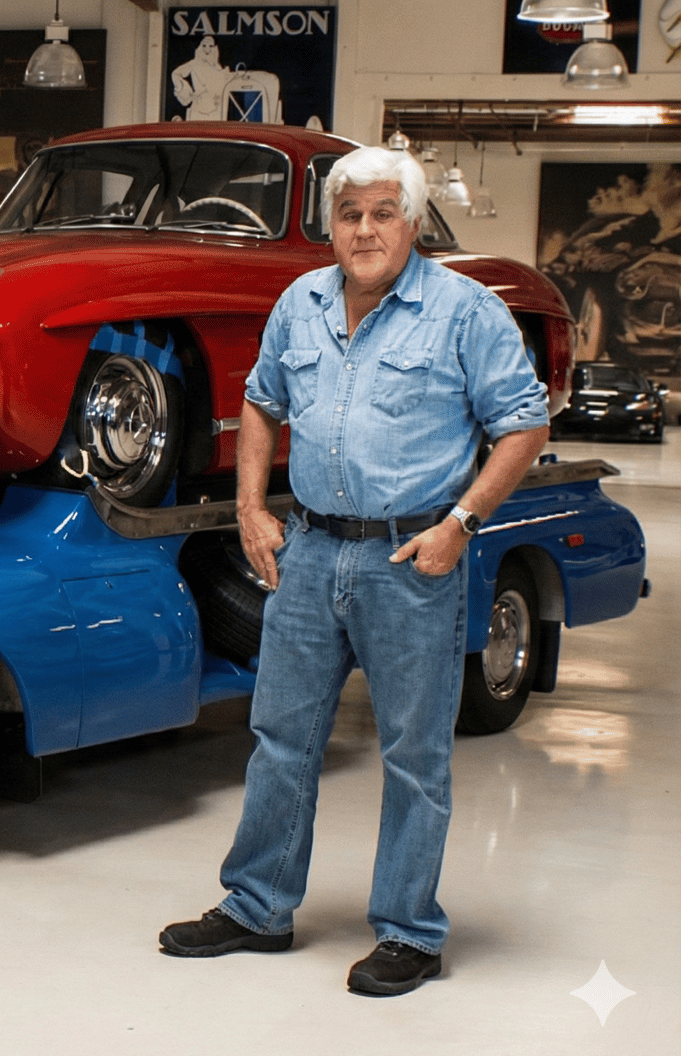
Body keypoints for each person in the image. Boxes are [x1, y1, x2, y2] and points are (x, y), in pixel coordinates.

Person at [158, 146, 552, 996]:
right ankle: (258, 905)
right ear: (330, 226)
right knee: (281, 739)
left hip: (411, 559)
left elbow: (525, 423)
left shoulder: (463, 311)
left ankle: (409, 930)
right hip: (310, 551)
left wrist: (460, 524)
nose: (365, 230)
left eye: (382, 213)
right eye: (349, 215)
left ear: (411, 223)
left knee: (414, 754)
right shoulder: (299, 303)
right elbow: (260, 402)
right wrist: (250, 507)